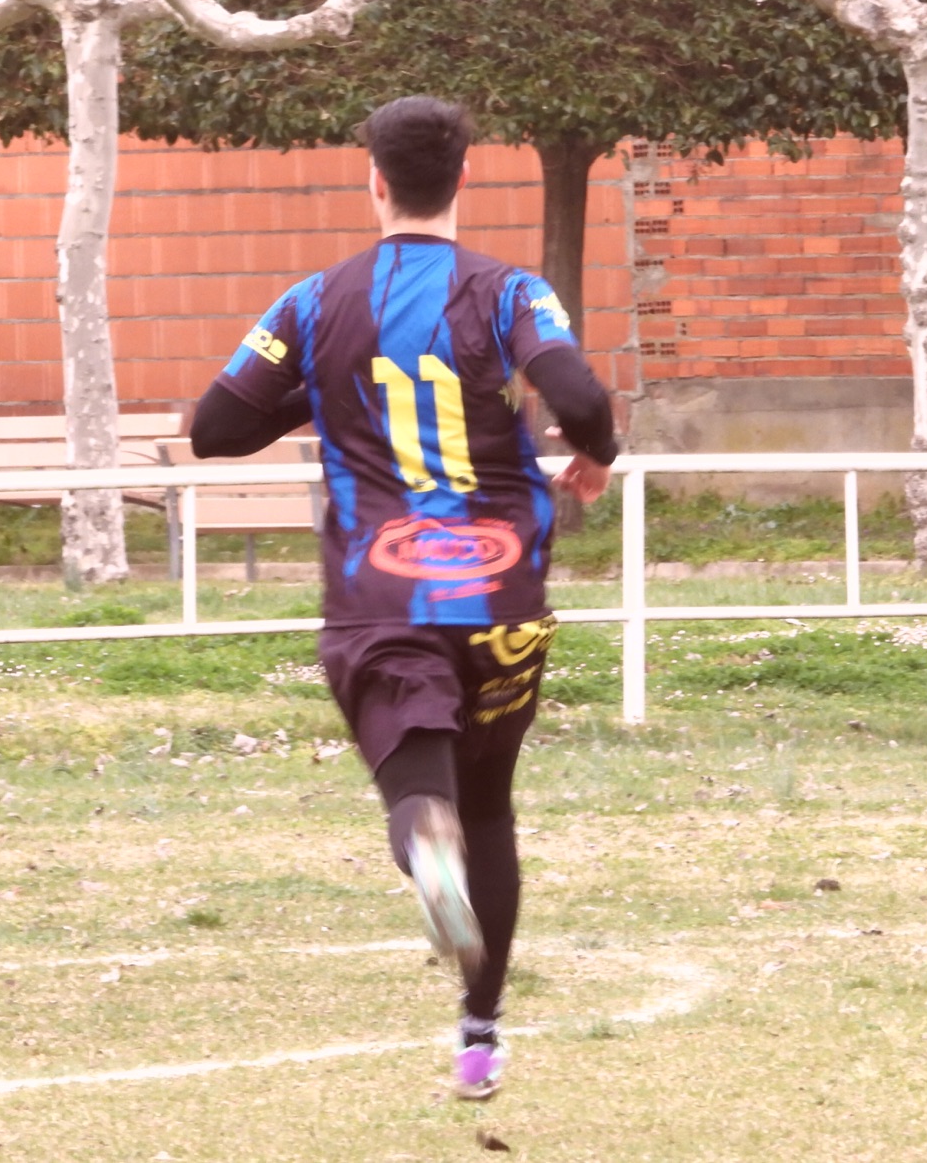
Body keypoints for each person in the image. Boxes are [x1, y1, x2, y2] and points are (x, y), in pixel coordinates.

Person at [190, 95, 617, 1101]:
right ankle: (479, 1036)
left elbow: (215, 429)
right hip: (500, 596)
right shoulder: (511, 293)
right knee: (492, 808)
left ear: (373, 181)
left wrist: (327, 390)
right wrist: (595, 452)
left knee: (424, 795)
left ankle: (424, 842)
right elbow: (581, 398)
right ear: (463, 178)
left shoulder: (311, 302)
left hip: (378, 597)